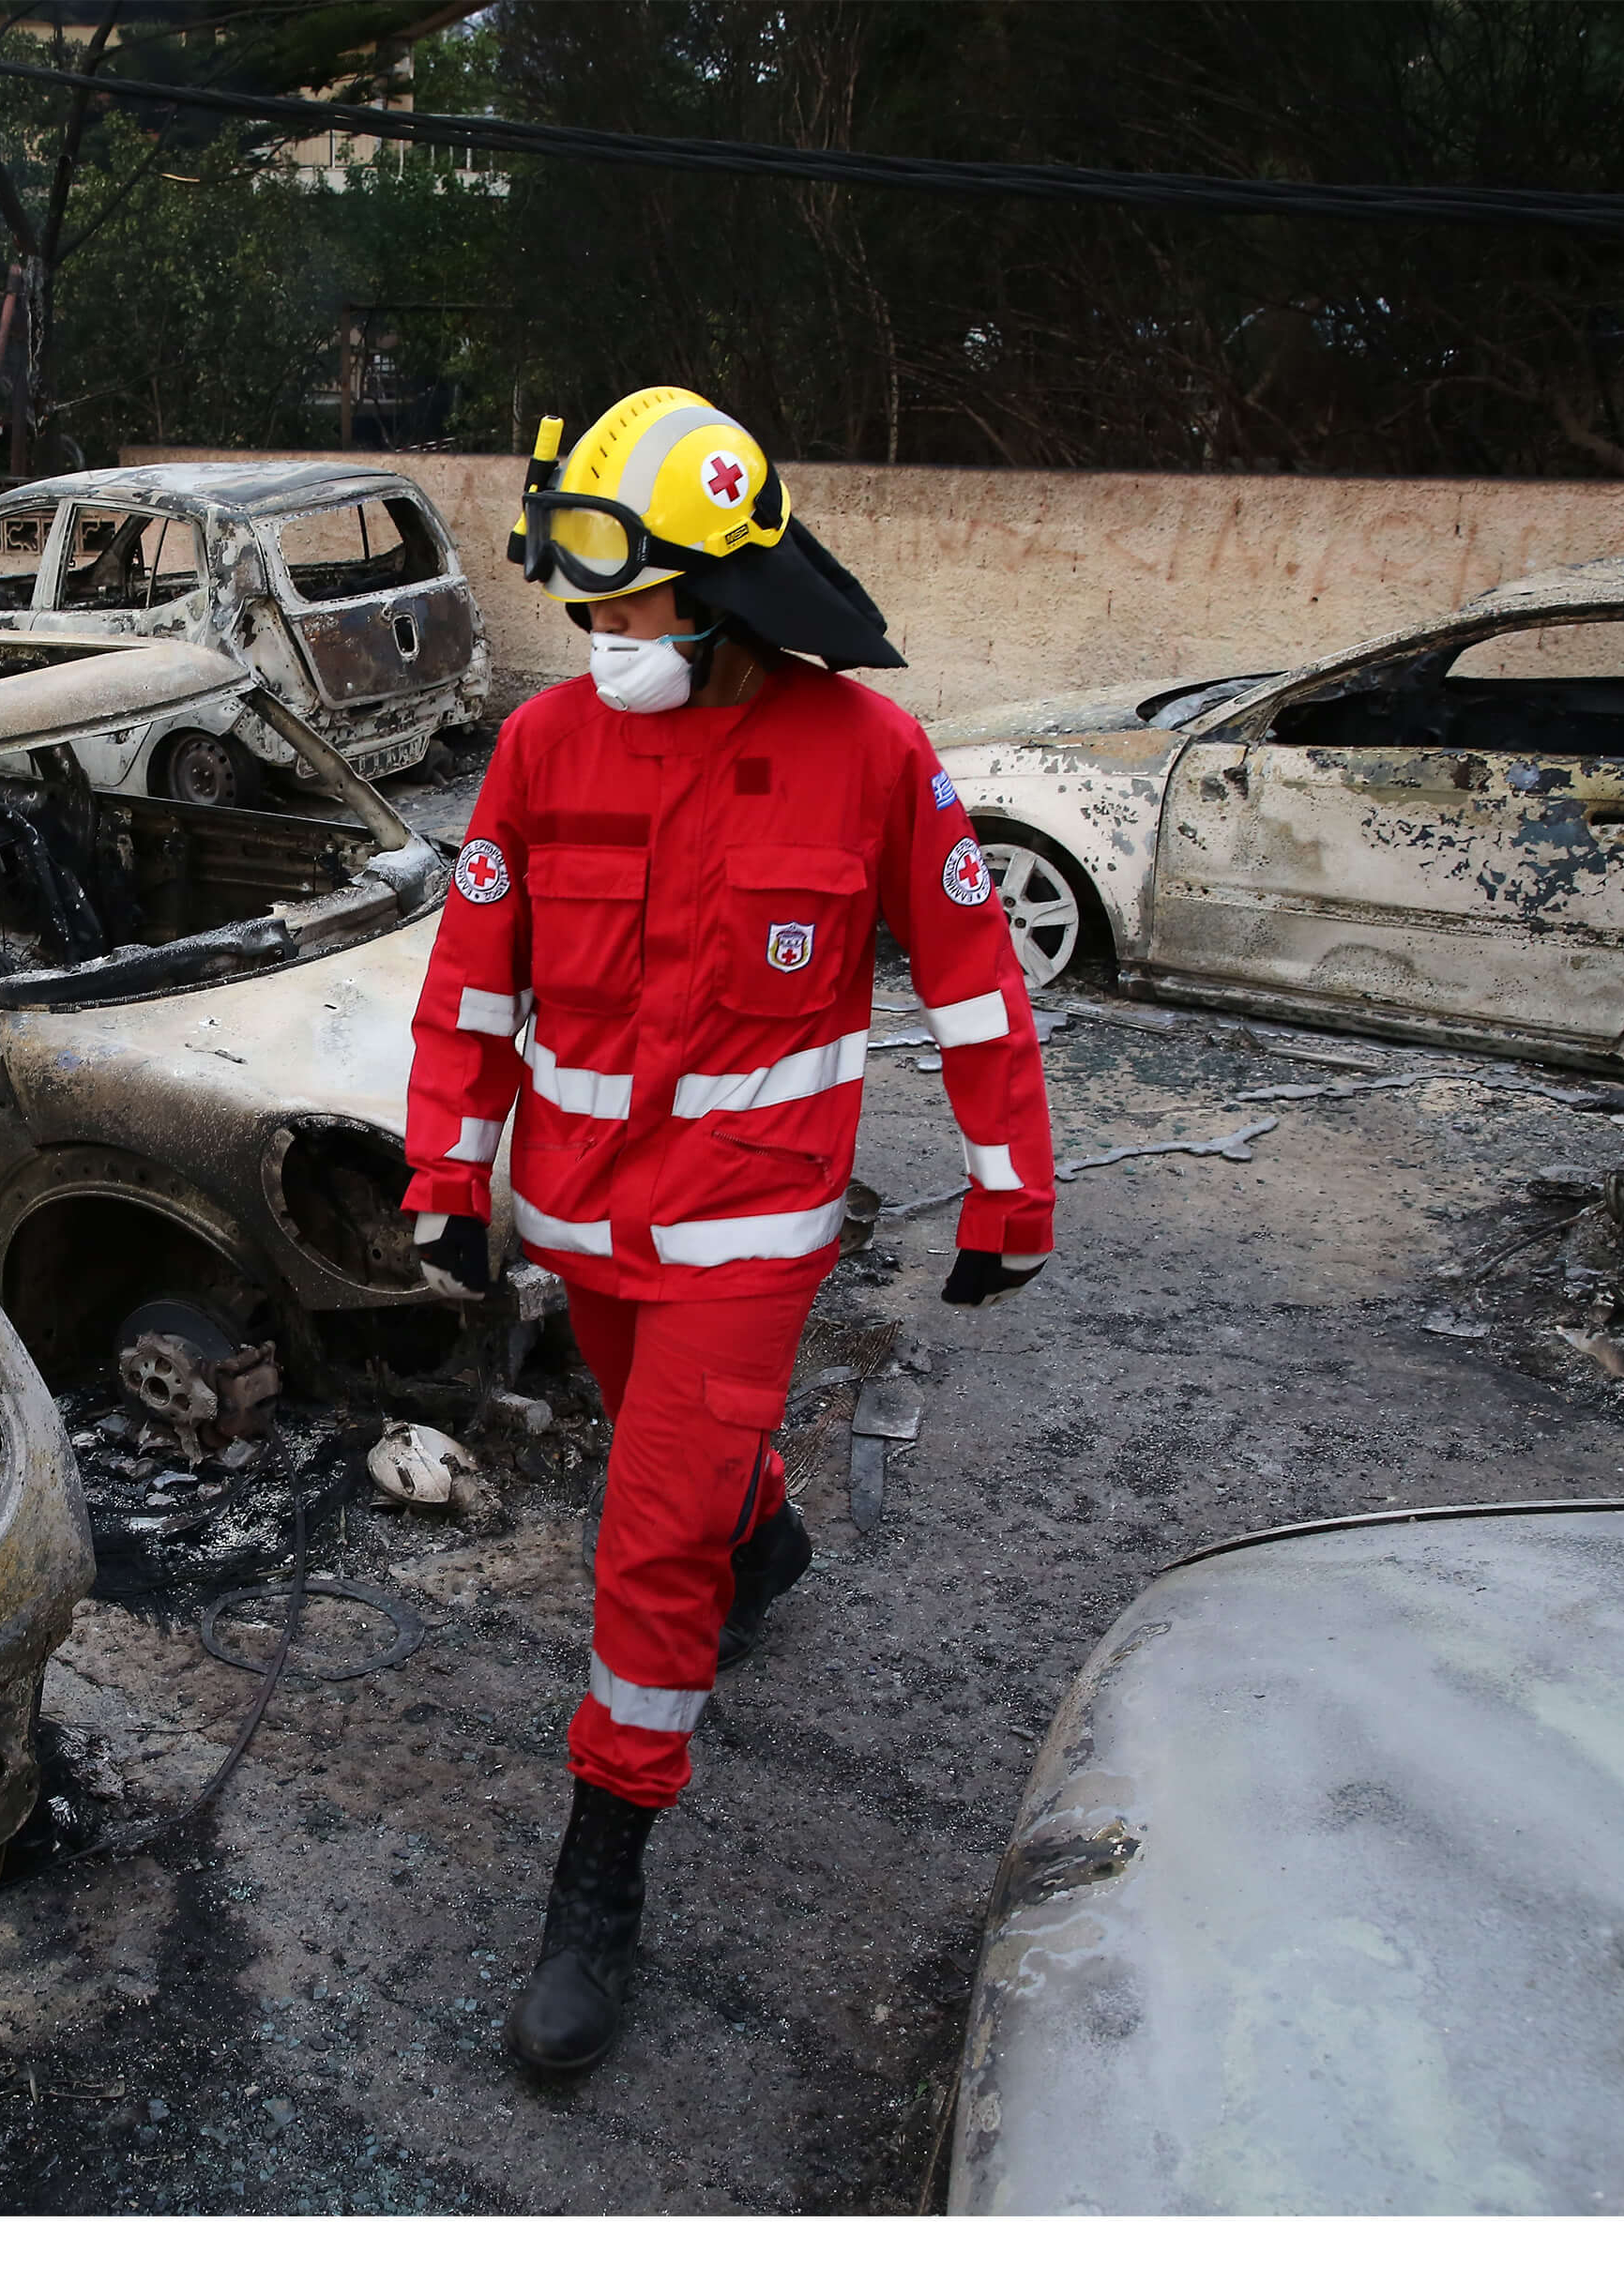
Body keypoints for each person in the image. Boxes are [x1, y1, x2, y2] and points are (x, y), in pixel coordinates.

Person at [400, 388, 1056, 2078]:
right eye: (586, 600)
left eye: (620, 598)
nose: (593, 630)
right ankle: (762, 1539)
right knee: (668, 1461)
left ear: (715, 586)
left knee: (643, 1543)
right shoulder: (546, 746)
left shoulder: (870, 756)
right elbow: (471, 982)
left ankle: (596, 1876)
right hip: (583, 1221)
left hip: (750, 1235)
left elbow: (976, 987)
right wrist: (440, 1176)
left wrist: (1008, 1188)